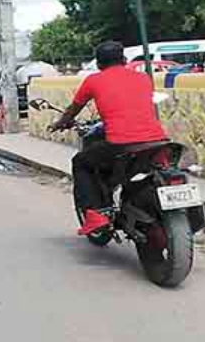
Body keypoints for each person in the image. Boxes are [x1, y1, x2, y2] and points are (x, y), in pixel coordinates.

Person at [49, 41, 169, 236]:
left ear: (98, 64)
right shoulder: (143, 78)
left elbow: (74, 108)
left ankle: (95, 215)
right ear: (124, 60)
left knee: (81, 162)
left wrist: (61, 122)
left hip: (121, 145)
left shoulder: (93, 80)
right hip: (159, 141)